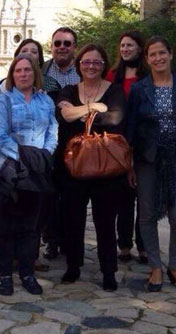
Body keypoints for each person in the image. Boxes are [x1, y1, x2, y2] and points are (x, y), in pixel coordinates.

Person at [57, 44, 126, 292]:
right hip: (74, 166)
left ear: (104, 65)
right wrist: (93, 108)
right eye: (86, 62)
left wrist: (79, 113)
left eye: (96, 62)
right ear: (79, 65)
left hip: (106, 166)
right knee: (72, 219)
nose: (91, 66)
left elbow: (115, 118)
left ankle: (109, 271)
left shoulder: (114, 90)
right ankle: (73, 267)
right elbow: (64, 116)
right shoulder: (69, 89)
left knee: (105, 220)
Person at [0, 54, 58, 296]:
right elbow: (0, 135)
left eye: (27, 70)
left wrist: (46, 154)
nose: (23, 74)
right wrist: (24, 157)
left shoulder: (46, 102)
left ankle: (27, 272)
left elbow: (53, 130)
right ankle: (5, 274)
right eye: (18, 70)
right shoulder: (4, 101)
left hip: (38, 171)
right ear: (12, 75)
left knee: (31, 227)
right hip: (10, 171)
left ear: (34, 73)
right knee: (6, 225)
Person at [126, 36, 176, 292]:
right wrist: (131, 163)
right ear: (146, 59)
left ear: (170, 54)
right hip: (148, 158)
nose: (158, 58)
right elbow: (131, 128)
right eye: (152, 55)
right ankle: (155, 266)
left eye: (161, 53)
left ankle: (174, 264)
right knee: (146, 215)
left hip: (175, 159)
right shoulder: (139, 89)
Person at [106, 30, 148, 264]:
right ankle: (124, 244)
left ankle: (143, 245)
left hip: (143, 141)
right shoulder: (114, 75)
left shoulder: (148, 75)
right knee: (124, 197)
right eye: (122, 45)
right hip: (119, 141)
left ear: (140, 49)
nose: (125, 49)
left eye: (130, 45)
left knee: (144, 196)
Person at [41, 27, 81, 261]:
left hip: (76, 141)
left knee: (73, 194)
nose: (62, 47)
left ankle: (70, 239)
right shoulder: (42, 71)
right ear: (52, 46)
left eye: (67, 43)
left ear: (74, 46)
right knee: (49, 194)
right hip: (48, 141)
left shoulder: (84, 70)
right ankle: (51, 240)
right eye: (57, 43)